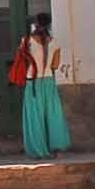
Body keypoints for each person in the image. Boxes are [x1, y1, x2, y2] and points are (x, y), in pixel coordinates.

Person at [17, 14, 72, 158]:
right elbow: (55, 65)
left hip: (32, 82)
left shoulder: (26, 41)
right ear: (49, 25)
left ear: (35, 24)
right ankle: (57, 149)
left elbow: (22, 62)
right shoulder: (55, 42)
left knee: (35, 116)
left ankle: (38, 150)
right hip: (48, 81)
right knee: (53, 115)